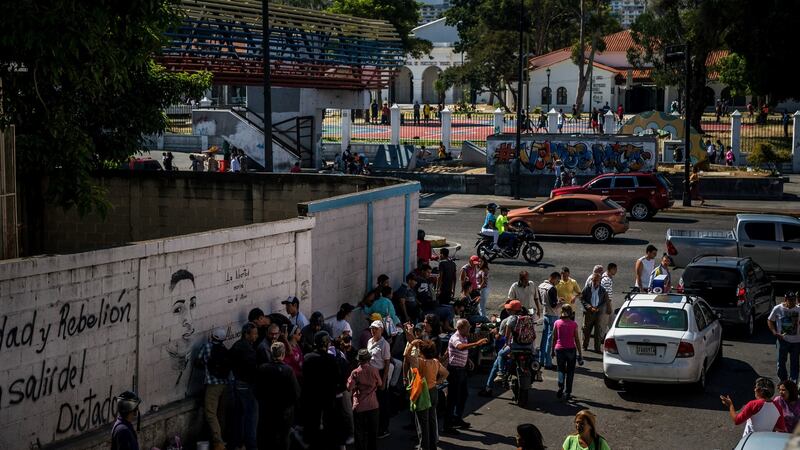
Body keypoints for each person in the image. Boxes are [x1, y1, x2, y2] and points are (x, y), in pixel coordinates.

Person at [299, 331, 344, 448]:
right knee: (329, 428)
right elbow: (339, 379)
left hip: (312, 400)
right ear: (326, 344)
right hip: (328, 399)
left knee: (313, 429)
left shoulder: (308, 358)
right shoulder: (330, 359)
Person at [444, 319, 489, 432]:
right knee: (452, 399)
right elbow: (460, 347)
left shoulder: (464, 336)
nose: (470, 328)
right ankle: (447, 425)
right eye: (468, 327)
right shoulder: (456, 337)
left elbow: (460, 350)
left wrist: (468, 360)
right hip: (455, 371)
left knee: (463, 395)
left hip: (462, 370)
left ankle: (457, 418)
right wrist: (477, 344)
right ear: (461, 328)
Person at [404, 339, 449, 450]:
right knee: (432, 419)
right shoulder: (435, 361)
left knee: (423, 422)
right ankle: (433, 445)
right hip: (433, 391)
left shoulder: (419, 361)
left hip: (423, 392)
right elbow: (446, 373)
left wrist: (412, 343)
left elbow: (406, 355)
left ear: (422, 352)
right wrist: (437, 382)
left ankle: (424, 447)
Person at [259, 342, 301, 450]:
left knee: (268, 437)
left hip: (267, 410)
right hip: (284, 412)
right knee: (284, 437)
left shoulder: (263, 368)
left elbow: (257, 390)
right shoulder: (288, 370)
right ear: (283, 354)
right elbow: (296, 392)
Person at [196, 328, 231, 450]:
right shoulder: (225, 350)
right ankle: (223, 439)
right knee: (221, 414)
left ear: (212, 337)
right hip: (225, 384)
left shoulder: (206, 346)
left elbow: (197, 361)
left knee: (210, 413)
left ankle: (218, 442)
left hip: (213, 385)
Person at [720, 377, 787, 437]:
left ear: (759, 390)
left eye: (755, 387)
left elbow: (737, 420)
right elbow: (780, 429)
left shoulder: (753, 404)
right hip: (766, 443)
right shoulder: (778, 407)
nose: (754, 389)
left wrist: (730, 405)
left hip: (750, 441)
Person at [229, 322, 259, 450]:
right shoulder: (247, 349)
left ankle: (238, 443)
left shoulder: (236, 345)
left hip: (237, 383)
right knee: (251, 418)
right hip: (247, 385)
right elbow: (253, 368)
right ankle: (251, 445)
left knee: (239, 416)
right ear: (247, 334)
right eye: (254, 334)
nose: (256, 336)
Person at [349, 348, 382, 450]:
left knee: (359, 433)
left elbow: (349, 387)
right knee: (373, 433)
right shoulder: (374, 370)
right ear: (368, 359)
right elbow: (380, 383)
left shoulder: (355, 372)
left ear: (359, 360)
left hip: (359, 406)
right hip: (373, 405)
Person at [366, 320, 392, 439]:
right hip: (370, 375)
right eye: (372, 328)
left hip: (380, 374)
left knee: (382, 402)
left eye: (376, 328)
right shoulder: (369, 341)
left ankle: (383, 428)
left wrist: (384, 381)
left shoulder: (384, 344)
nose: (373, 330)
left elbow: (387, 364)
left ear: (381, 330)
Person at [768, 291, 800, 383]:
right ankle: (784, 382)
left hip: (796, 342)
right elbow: (770, 320)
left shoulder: (799, 309)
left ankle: (793, 383)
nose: (792, 302)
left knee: (795, 363)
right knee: (781, 364)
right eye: (790, 300)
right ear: (785, 300)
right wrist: (774, 332)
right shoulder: (778, 308)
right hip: (782, 340)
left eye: (794, 300)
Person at [553, 304, 582, 400]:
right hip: (571, 350)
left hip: (559, 349)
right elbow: (577, 339)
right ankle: (568, 392)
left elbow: (554, 338)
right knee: (570, 372)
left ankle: (561, 387)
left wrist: (552, 351)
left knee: (561, 370)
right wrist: (580, 354)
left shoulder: (557, 323)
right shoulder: (574, 324)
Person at [539, 271, 564, 369]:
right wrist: (561, 303)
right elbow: (554, 305)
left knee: (544, 339)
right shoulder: (552, 288)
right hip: (553, 315)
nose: (558, 282)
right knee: (550, 339)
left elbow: (542, 301)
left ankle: (541, 359)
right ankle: (548, 362)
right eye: (558, 280)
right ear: (553, 278)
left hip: (545, 313)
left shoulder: (541, 286)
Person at [581, 273, 609, 353]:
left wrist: (598, 308)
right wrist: (589, 307)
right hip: (589, 312)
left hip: (598, 313)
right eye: (594, 280)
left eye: (597, 280)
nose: (595, 281)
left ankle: (597, 348)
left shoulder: (602, 290)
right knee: (586, 330)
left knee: (598, 331)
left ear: (600, 281)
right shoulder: (587, 288)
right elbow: (582, 299)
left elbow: (604, 301)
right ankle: (584, 346)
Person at [599, 264, 617, 338]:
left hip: (608, 303)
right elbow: (606, 294)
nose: (616, 271)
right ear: (611, 269)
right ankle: (600, 339)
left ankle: (612, 337)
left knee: (612, 322)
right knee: (604, 323)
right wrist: (608, 306)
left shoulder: (607, 278)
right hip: (606, 304)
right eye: (615, 269)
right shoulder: (606, 279)